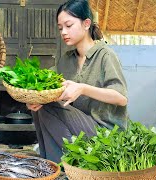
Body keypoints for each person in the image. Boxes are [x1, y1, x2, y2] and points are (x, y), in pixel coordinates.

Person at [26, 0, 129, 163]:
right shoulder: (66, 60)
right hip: (80, 128)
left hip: (106, 134)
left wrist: (82, 88)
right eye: (60, 28)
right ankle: (53, 164)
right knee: (40, 106)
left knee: (48, 107)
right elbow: (46, 87)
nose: (63, 32)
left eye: (69, 25)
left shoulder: (105, 55)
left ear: (86, 24)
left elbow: (121, 98)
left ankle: (71, 163)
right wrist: (34, 100)